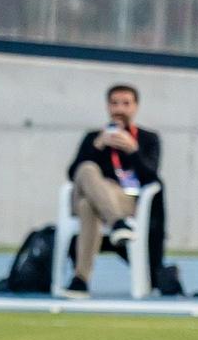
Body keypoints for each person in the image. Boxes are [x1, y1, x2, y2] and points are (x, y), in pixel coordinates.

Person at [59, 83, 165, 299]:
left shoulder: (147, 139)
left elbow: (152, 177)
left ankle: (81, 280)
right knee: (87, 169)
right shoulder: (93, 138)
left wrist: (133, 151)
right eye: (115, 103)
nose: (120, 109)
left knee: (88, 206)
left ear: (135, 107)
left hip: (125, 199)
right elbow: (73, 174)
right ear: (108, 106)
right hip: (96, 192)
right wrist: (97, 146)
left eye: (126, 104)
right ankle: (117, 224)